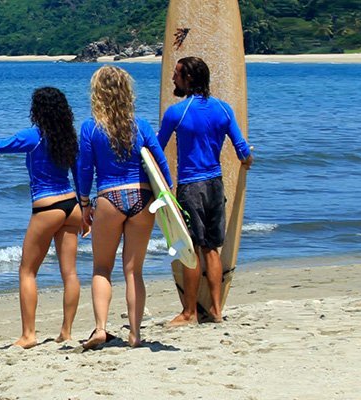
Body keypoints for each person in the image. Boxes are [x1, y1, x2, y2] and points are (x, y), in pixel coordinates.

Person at [0, 88, 89, 349]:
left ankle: (29, 335)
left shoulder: (33, 136)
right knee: (69, 273)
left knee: (27, 271)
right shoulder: (69, 137)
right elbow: (79, 175)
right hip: (71, 205)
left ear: (37, 110)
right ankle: (66, 332)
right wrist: (85, 208)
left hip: (46, 207)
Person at [75, 65, 168, 349]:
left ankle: (101, 329)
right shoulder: (142, 126)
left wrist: (84, 204)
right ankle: (135, 334)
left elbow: (84, 170)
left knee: (102, 268)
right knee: (133, 271)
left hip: (110, 198)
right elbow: (162, 165)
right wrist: (168, 200)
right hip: (142, 198)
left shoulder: (91, 128)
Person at [159, 56, 254, 325]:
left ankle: (189, 312)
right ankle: (215, 309)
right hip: (215, 185)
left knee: (191, 249)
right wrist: (248, 161)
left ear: (189, 78)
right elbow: (242, 150)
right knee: (212, 249)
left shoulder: (177, 113)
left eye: (177, 74)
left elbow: (156, 149)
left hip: (191, 188)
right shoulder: (224, 110)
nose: (173, 78)